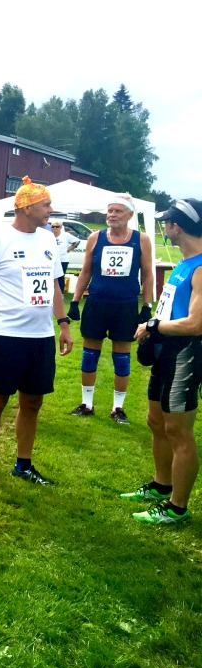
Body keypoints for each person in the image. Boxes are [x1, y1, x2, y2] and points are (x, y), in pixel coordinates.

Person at [0, 176, 73, 488]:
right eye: (46, 205)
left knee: (32, 403)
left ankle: (24, 464)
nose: (50, 210)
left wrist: (63, 324)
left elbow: (54, 284)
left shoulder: (47, 239)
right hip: (6, 335)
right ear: (26, 208)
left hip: (41, 338)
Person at [123, 198, 202, 525]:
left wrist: (154, 326)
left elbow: (197, 323)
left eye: (167, 222)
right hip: (166, 350)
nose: (164, 227)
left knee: (178, 430)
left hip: (186, 352)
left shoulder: (199, 267)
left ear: (176, 226)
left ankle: (177, 507)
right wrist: (154, 327)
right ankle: (161, 485)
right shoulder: (184, 263)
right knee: (156, 421)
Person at [67, 195, 153, 424]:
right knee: (89, 355)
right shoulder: (96, 238)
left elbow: (147, 273)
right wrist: (75, 301)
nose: (112, 215)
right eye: (110, 211)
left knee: (122, 358)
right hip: (97, 303)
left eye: (117, 211)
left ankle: (118, 408)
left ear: (130, 215)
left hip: (124, 306)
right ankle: (87, 403)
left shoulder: (140, 239)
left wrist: (147, 305)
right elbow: (85, 272)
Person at [51, 220, 80, 292]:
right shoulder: (49, 235)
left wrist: (68, 249)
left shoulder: (66, 235)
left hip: (63, 259)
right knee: (51, 276)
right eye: (53, 226)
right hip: (52, 260)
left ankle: (61, 292)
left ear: (60, 227)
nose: (55, 228)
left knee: (60, 276)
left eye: (57, 227)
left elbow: (77, 241)